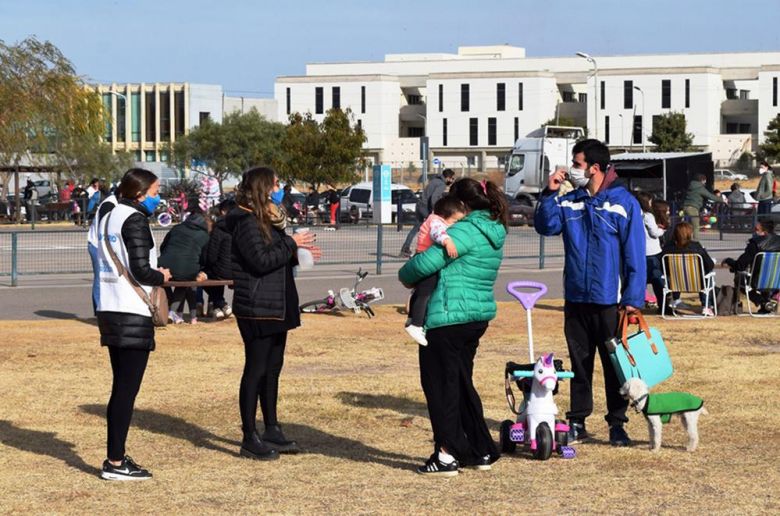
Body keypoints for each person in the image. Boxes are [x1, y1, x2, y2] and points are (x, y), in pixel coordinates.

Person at [534, 139, 645, 447]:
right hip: (576, 298)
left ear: (595, 168)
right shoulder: (570, 201)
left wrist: (633, 300)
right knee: (579, 364)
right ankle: (578, 421)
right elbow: (545, 226)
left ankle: (617, 424)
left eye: (578, 164)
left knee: (614, 366)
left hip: (610, 302)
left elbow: (635, 256)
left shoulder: (624, 203)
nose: (572, 169)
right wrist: (549, 193)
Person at [398, 177, 507, 477]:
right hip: (475, 317)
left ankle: (446, 454)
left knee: (440, 386)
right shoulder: (495, 230)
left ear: (462, 204)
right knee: (460, 384)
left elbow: (422, 265)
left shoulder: (463, 230)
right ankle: (480, 448)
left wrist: (405, 275)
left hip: (448, 316)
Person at [226, 166, 320, 460]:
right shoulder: (246, 221)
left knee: (273, 368)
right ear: (263, 187)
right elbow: (260, 261)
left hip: (277, 305)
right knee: (255, 369)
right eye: (275, 183)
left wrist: (295, 251)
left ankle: (271, 428)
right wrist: (292, 243)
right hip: (257, 308)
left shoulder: (268, 219)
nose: (280, 188)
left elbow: (274, 255)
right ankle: (248, 437)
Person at [96, 168, 172, 480]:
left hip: (109, 306)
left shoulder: (108, 213)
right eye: (154, 192)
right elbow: (141, 269)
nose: (157, 198)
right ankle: (115, 462)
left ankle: (116, 456)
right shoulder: (135, 219)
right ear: (139, 193)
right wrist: (162, 276)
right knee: (126, 390)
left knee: (121, 388)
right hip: (131, 309)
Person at [404, 195, 467, 346]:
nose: (455, 225)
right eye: (454, 221)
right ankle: (416, 325)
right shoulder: (436, 222)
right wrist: (448, 242)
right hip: (427, 261)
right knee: (426, 293)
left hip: (420, 258)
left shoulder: (432, 218)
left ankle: (412, 318)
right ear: (444, 216)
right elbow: (437, 233)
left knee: (420, 292)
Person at [158, 206, 211, 324]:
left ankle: (175, 312)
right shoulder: (204, 235)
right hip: (188, 268)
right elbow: (205, 257)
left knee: (173, 281)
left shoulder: (176, 228)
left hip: (165, 265)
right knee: (185, 280)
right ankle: (176, 313)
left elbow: (163, 246)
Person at [722, 218, 780, 313]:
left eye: (756, 230)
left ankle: (763, 302)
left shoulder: (755, 244)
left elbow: (740, 265)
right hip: (777, 281)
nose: (754, 232)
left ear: (764, 232)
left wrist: (729, 261)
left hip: (758, 280)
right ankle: (768, 303)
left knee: (739, 280)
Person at [661, 222, 716, 316]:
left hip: (676, 283)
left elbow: (663, 267)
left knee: (674, 273)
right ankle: (706, 305)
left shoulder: (668, 249)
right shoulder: (696, 247)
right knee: (708, 274)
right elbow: (709, 265)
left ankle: (675, 299)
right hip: (696, 282)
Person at [400, 168, 456, 258]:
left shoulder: (434, 180)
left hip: (419, 205)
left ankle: (405, 248)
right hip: (426, 208)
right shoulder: (441, 184)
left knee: (416, 228)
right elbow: (434, 198)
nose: (452, 181)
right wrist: (435, 210)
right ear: (448, 178)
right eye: (452, 178)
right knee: (434, 226)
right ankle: (429, 249)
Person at [202, 199, 236, 319]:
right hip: (238, 270)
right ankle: (219, 306)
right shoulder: (241, 226)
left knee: (206, 274)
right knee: (216, 272)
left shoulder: (219, 229)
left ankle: (220, 304)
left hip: (222, 271)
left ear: (223, 211)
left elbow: (211, 256)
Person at [87, 191, 118, 313]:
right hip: (98, 244)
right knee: (101, 278)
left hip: (105, 244)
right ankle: (99, 310)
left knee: (109, 278)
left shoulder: (116, 203)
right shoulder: (109, 204)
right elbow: (104, 226)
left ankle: (108, 309)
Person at [636, 192, 665, 311]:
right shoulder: (648, 216)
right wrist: (662, 230)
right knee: (657, 280)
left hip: (639, 251)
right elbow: (654, 233)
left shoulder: (634, 214)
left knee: (640, 280)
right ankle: (661, 304)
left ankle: (640, 303)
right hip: (652, 251)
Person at [682, 173, 722, 241]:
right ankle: (695, 241)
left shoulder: (690, 186)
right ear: (702, 180)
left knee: (687, 225)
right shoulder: (700, 188)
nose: (705, 182)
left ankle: (684, 239)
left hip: (685, 207)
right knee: (696, 225)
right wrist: (722, 200)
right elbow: (710, 196)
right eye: (705, 180)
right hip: (693, 208)